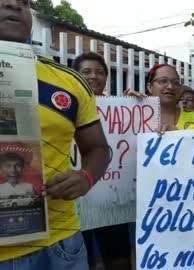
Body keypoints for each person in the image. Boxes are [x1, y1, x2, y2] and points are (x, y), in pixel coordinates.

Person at [0, 1, 110, 269]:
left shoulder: (68, 82)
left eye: (24, 1)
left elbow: (98, 149)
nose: (14, 4)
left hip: (61, 244)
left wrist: (85, 177)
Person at [72, 53, 132, 270]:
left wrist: (140, 102)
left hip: (113, 201)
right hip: (77, 203)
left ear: (107, 78)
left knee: (119, 260)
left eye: (99, 72)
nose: (93, 77)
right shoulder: (63, 106)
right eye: (86, 71)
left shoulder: (122, 107)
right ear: (74, 75)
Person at [131, 64, 194, 131]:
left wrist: (178, 135)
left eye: (176, 83)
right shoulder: (135, 115)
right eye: (163, 81)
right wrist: (126, 107)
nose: (170, 87)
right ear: (150, 87)